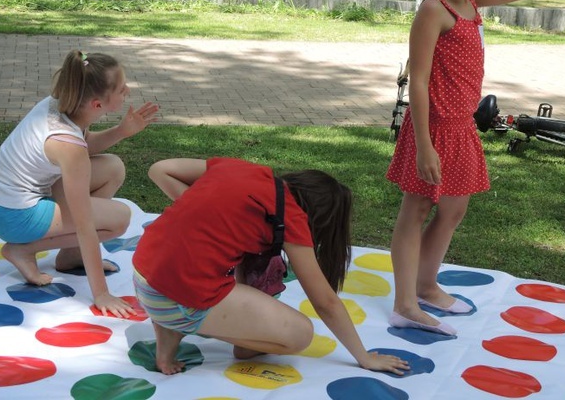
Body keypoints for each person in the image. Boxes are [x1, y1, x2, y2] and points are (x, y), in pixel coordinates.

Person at [386, 0, 538, 335]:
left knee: (453, 208)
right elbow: (417, 83)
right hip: (432, 128)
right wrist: (425, 146)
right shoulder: (435, 10)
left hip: (462, 127)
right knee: (415, 209)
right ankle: (403, 304)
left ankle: (426, 285)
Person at [133, 157, 411, 376]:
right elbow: (325, 301)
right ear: (317, 217)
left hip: (144, 274)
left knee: (207, 271)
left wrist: (203, 211)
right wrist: (364, 357)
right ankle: (200, 331)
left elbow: (161, 169)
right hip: (176, 297)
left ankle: (168, 341)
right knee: (300, 335)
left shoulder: (242, 169)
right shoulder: (291, 216)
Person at [0, 50, 160, 318]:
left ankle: (70, 257)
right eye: (121, 88)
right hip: (14, 217)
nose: (128, 90)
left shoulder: (63, 105)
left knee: (113, 167)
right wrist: (101, 293)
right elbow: (85, 224)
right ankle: (22, 249)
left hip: (7, 203)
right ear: (97, 104)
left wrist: (122, 132)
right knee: (120, 218)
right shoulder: (68, 146)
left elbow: (83, 145)